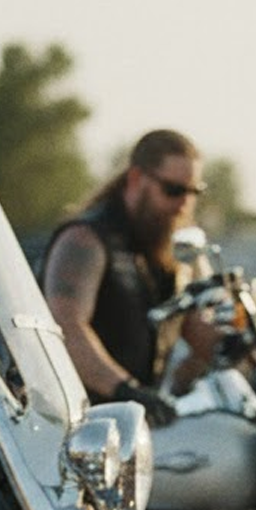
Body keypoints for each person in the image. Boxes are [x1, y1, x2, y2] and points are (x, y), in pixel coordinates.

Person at [42, 129, 222, 427]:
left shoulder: (171, 251)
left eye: (193, 193)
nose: (183, 205)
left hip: (133, 428)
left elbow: (198, 330)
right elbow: (65, 326)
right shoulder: (87, 239)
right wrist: (126, 389)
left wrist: (251, 341)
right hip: (77, 427)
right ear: (137, 179)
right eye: (174, 190)